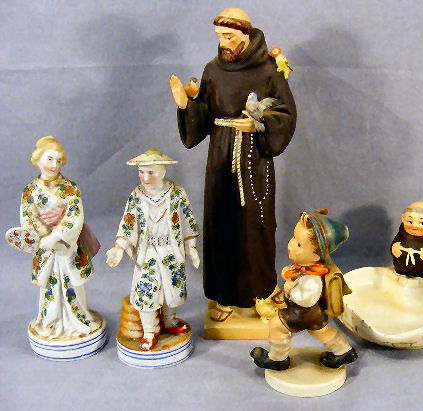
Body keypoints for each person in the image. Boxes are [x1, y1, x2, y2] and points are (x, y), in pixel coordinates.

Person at [169, 7, 296, 322]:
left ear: (245, 35)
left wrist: (258, 124)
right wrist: (186, 105)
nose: (223, 42)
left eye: (228, 36)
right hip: (220, 157)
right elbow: (203, 117)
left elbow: (285, 114)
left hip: (254, 159)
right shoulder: (213, 70)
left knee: (255, 226)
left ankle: (261, 291)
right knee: (222, 225)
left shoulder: (269, 70)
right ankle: (225, 295)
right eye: (219, 36)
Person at [106, 149, 200, 350]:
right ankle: (149, 331)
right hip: (148, 252)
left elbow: (187, 220)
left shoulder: (176, 194)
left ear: (162, 172)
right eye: (141, 172)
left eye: (151, 172)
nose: (145, 177)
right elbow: (128, 224)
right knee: (147, 289)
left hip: (170, 250)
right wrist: (119, 247)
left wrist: (191, 246)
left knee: (172, 288)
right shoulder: (136, 197)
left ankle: (169, 320)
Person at [250, 209, 358, 370]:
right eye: (294, 237)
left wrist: (290, 289)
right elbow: (294, 275)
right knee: (320, 331)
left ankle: (277, 359)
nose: (291, 244)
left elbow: (306, 299)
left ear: (317, 255)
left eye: (299, 244)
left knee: (276, 325)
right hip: (313, 314)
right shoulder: (304, 269)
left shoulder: (313, 279)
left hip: (302, 312)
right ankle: (344, 351)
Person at [20, 136, 101, 338]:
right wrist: (43, 236)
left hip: (67, 246)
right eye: (49, 159)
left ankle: (79, 318)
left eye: (58, 160)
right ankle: (49, 321)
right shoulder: (30, 191)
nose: (54, 165)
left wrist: (57, 235)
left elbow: (75, 216)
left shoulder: (70, 188)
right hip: (45, 248)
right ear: (38, 159)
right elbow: (28, 218)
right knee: (50, 283)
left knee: (73, 282)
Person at [390, 202, 423, 277]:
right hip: (401, 268)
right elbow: (395, 243)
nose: (414, 226)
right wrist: (395, 247)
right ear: (403, 219)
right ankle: (401, 271)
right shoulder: (401, 235)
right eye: (410, 222)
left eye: (422, 223)